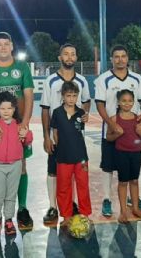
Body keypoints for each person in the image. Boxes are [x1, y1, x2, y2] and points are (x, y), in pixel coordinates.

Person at [0, 32, 35, 228]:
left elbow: (28, 97)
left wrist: (24, 124)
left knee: (21, 166)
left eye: (6, 44)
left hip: (17, 125)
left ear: (11, 47)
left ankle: (22, 209)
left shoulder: (22, 67)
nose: (2, 47)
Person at [94, 45, 141, 217]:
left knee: (132, 170)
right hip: (112, 132)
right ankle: (107, 200)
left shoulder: (137, 79)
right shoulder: (104, 79)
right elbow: (100, 105)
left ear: (127, 58)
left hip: (132, 134)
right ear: (111, 59)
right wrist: (111, 124)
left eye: (123, 56)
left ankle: (134, 199)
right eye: (116, 56)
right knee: (108, 167)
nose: (120, 59)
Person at [41, 43, 90, 224]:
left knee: (77, 175)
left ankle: (73, 205)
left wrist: (82, 116)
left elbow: (86, 102)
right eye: (66, 54)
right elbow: (45, 110)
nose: (69, 57)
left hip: (75, 140)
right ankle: (54, 207)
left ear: (76, 58)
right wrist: (47, 137)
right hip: (57, 138)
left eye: (73, 54)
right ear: (60, 57)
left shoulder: (82, 81)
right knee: (54, 173)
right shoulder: (51, 81)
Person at [0, 92, 33, 237]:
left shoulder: (19, 124)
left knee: (10, 195)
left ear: (14, 109)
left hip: (15, 164)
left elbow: (28, 141)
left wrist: (26, 134)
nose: (6, 112)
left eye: (9, 108)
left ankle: (9, 220)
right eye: (2, 109)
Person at [51, 81, 91, 226]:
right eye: (68, 95)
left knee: (83, 185)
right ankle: (66, 215)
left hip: (81, 157)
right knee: (63, 187)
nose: (71, 99)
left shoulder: (81, 113)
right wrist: (61, 147)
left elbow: (81, 129)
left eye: (74, 96)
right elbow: (55, 133)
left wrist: (86, 117)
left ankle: (85, 213)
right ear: (63, 96)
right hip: (63, 156)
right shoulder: (57, 112)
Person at [106, 89, 141, 223]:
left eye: (130, 101)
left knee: (134, 181)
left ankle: (135, 208)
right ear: (118, 102)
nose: (127, 103)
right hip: (121, 154)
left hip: (136, 153)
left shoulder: (137, 118)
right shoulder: (114, 119)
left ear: (133, 102)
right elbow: (108, 138)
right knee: (123, 182)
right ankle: (123, 211)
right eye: (124, 101)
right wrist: (117, 134)